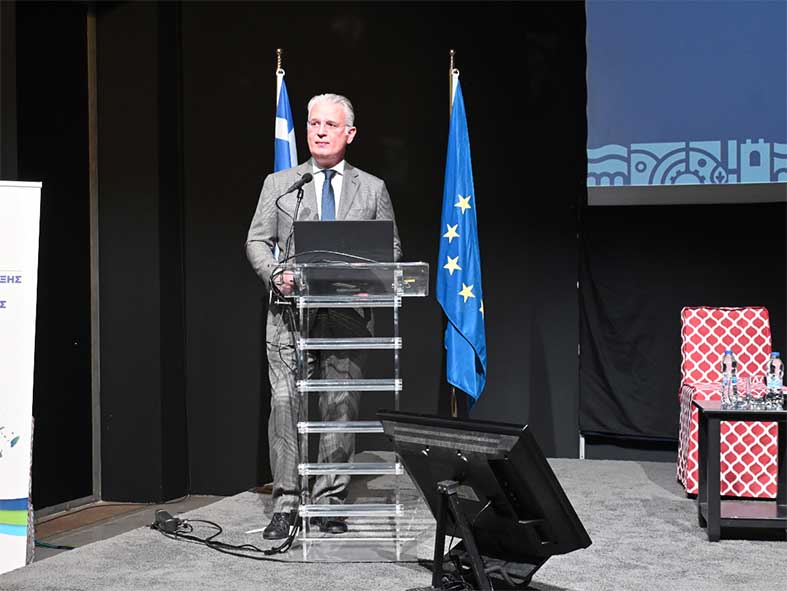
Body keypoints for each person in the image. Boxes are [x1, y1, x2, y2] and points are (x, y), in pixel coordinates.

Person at [246, 93, 402, 540]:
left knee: (339, 406)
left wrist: (366, 276)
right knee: (285, 406)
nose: (319, 131)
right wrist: (275, 273)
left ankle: (329, 502)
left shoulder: (372, 188)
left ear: (349, 133)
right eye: (313, 123)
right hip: (289, 318)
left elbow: (392, 249)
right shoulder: (281, 184)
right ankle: (287, 504)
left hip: (347, 316)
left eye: (329, 125)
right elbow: (257, 241)